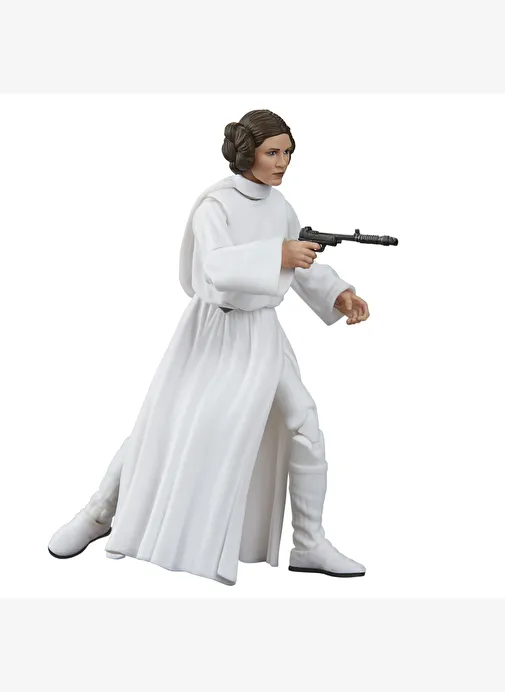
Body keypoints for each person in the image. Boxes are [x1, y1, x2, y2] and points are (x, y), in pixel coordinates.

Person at [48, 109, 370, 585]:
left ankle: (310, 543)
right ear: (247, 153)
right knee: (167, 424)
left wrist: (338, 294)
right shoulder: (214, 205)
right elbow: (217, 266)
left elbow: (298, 259)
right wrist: (277, 254)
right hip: (215, 332)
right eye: (272, 152)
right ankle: (98, 512)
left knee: (305, 422)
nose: (282, 162)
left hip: (263, 333)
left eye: (287, 152)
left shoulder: (280, 206)